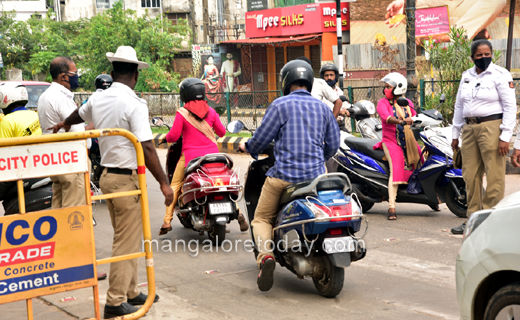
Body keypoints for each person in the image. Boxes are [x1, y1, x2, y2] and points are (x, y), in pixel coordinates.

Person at [49, 46, 174, 318]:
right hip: (126, 180)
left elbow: (79, 114)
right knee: (126, 242)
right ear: (135, 76)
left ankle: (131, 291)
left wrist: (63, 124)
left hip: (106, 177)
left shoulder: (99, 97)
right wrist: (165, 184)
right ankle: (115, 301)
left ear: (113, 72)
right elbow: (149, 148)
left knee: (128, 237)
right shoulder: (134, 104)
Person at [238, 60, 340, 292]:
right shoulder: (323, 108)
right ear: (309, 82)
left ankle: (265, 256)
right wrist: (317, 159)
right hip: (315, 179)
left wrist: (248, 147)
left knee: (261, 218)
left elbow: (262, 140)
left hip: (283, 177)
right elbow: (332, 146)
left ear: (286, 81)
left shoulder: (279, 105)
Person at [158, 78, 249, 235]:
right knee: (222, 185)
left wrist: (165, 138)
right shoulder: (212, 112)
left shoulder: (182, 113)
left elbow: (173, 136)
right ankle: (239, 213)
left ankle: (167, 221)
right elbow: (221, 132)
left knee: (175, 185)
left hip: (190, 157)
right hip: (214, 157)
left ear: (184, 94)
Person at [450, 40, 516, 235]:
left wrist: (505, 136)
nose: (484, 58)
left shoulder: (500, 75)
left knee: (494, 175)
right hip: (469, 129)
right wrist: (455, 133)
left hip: (492, 127)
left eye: (487, 54)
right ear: (472, 57)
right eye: (479, 55)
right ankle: (472, 220)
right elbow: (459, 107)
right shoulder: (466, 76)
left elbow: (510, 106)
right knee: (470, 175)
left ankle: (491, 220)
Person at [38, 56, 88, 209]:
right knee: (73, 210)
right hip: (70, 159)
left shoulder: (45, 95)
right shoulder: (61, 97)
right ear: (63, 76)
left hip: (55, 158)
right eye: (74, 73)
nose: (77, 77)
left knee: (59, 206)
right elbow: (78, 130)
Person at [373, 72, 423, 220]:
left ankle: (428, 197)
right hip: (390, 142)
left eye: (389, 87)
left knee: (421, 158)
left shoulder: (407, 102)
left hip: (407, 141)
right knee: (396, 167)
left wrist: (415, 119)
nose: (386, 90)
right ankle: (391, 207)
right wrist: (400, 121)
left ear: (398, 88)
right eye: (385, 87)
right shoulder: (383, 103)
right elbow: (386, 117)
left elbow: (414, 115)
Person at [385, 0, 506, 44]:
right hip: (436, 5)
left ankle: (442, 35)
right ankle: (468, 32)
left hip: (465, 5)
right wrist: (405, 3)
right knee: (409, 9)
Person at [0, 83, 42, 207]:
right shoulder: (36, 115)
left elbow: (3, 152)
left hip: (19, 167)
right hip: (41, 163)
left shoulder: (7, 121)